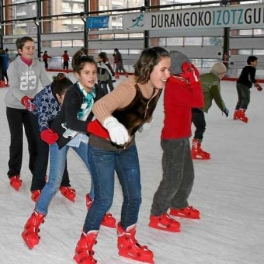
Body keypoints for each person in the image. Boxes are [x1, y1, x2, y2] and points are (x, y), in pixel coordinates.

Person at [74, 46, 171, 264]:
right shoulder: (129, 88)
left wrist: (144, 122)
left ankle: (126, 241)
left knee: (134, 195)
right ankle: (84, 246)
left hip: (127, 145)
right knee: (104, 198)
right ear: (149, 68)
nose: (167, 75)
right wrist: (110, 123)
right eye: (163, 70)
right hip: (101, 145)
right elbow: (100, 106)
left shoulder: (157, 88)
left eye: (168, 69)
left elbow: (144, 109)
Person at [21, 50, 115, 250]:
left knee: (97, 170)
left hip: (79, 135)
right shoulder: (73, 94)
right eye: (87, 73)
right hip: (61, 137)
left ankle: (94, 202)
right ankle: (34, 220)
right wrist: (95, 128)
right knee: (54, 182)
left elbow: (108, 106)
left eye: (93, 72)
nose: (91, 76)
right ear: (78, 76)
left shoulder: (97, 91)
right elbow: (68, 120)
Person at [149, 50, 204, 233]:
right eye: (187, 67)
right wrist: (194, 78)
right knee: (172, 178)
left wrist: (191, 76)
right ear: (180, 69)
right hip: (173, 139)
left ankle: (179, 205)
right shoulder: (173, 84)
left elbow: (194, 94)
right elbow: (198, 101)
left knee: (187, 176)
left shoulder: (180, 81)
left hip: (182, 137)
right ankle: (157, 214)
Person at [5, 36, 51, 191]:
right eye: (28, 48)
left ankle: (36, 171)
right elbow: (14, 87)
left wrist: (56, 92)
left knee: (35, 141)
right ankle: (14, 173)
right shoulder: (13, 66)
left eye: (33, 47)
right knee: (17, 140)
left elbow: (46, 83)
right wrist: (24, 99)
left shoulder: (38, 64)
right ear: (20, 50)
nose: (31, 50)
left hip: (31, 107)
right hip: (14, 107)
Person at [30, 73, 76, 202]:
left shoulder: (70, 95)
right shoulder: (46, 98)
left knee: (60, 148)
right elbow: (42, 117)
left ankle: (64, 183)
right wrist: (44, 131)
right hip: (37, 116)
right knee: (43, 151)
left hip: (55, 117)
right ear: (57, 96)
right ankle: (37, 186)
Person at [191, 62, 229, 160]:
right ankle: (195, 149)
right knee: (201, 127)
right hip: (197, 107)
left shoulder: (203, 76)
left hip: (187, 105)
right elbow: (217, 97)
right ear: (221, 74)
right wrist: (223, 108)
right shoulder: (214, 82)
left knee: (184, 128)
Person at [233, 55, 262, 123]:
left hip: (239, 84)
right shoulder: (252, 68)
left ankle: (236, 113)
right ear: (251, 62)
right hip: (244, 85)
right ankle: (241, 114)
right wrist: (257, 85)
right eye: (256, 61)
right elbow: (251, 78)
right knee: (246, 99)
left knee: (240, 99)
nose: (257, 63)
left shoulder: (245, 68)